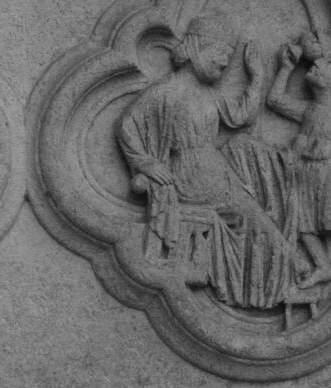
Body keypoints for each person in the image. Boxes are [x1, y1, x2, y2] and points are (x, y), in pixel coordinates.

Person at [117, 14, 300, 308]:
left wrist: (257, 77)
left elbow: (242, 116)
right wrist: (144, 163)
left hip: (214, 171)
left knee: (255, 214)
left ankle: (281, 274)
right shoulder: (165, 93)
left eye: (228, 58)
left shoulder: (210, 95)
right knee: (254, 218)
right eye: (220, 55)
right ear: (197, 48)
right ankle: (283, 277)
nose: (225, 64)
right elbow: (128, 126)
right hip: (191, 176)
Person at [268, 33, 331, 288]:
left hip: (328, 174)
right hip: (305, 172)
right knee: (303, 223)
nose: (314, 67)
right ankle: (323, 266)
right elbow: (274, 100)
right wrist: (285, 68)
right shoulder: (309, 109)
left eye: (321, 68)